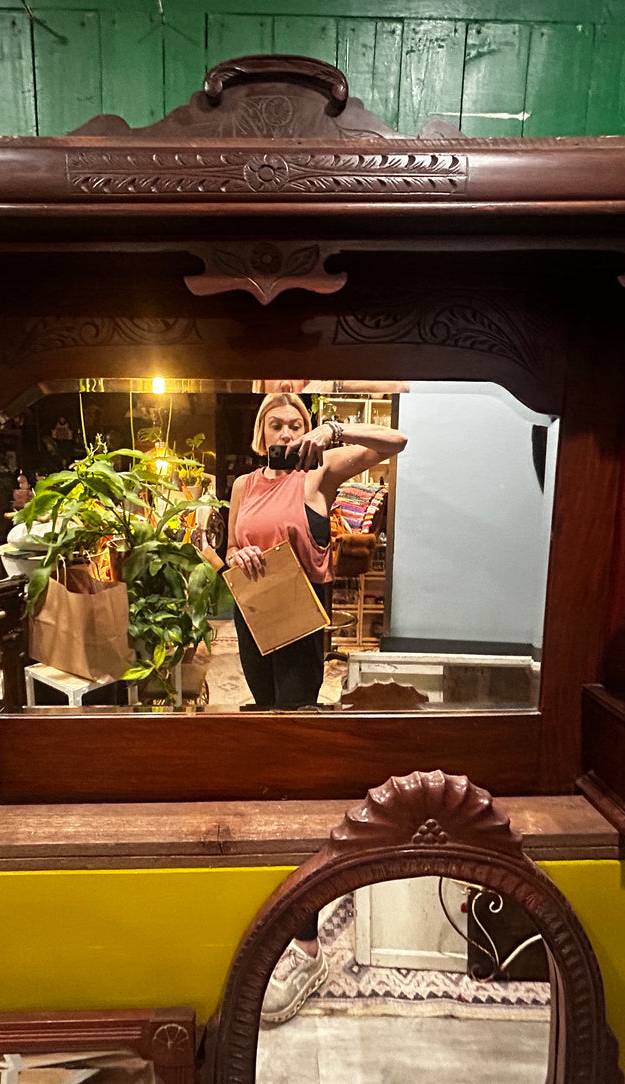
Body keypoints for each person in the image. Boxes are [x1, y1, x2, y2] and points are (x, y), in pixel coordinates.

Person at [225, 390, 406, 1024]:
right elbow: (229, 555)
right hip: (254, 618)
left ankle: (304, 942)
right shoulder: (244, 485)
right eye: (276, 421)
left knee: (295, 770)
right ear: (259, 431)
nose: (286, 429)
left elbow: (396, 445)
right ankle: (283, 904)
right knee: (268, 758)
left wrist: (331, 431)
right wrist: (236, 557)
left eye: (295, 421)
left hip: (301, 624)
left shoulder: (318, 474)